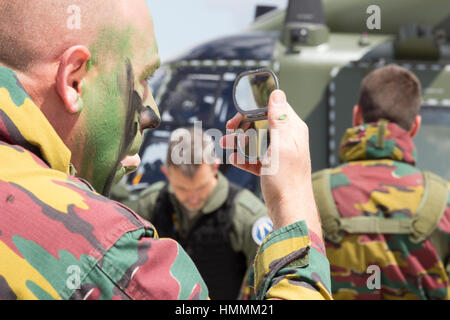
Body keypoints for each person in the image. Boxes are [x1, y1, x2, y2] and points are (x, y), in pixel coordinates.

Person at [0, 0, 332, 299]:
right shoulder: (110, 261)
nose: (152, 112)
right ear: (74, 81)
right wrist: (292, 200)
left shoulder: (242, 216)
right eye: (142, 80)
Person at [312, 64, 450, 300]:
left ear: (356, 116)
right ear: (414, 127)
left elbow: (263, 286)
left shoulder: (309, 195)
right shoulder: (443, 201)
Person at [123, 126, 272, 300]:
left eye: (201, 188)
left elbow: (268, 283)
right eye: (182, 189)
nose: (193, 199)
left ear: (215, 167)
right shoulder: (151, 204)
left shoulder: (247, 217)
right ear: (166, 173)